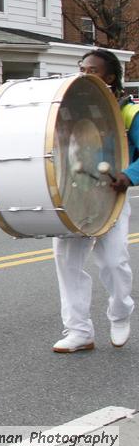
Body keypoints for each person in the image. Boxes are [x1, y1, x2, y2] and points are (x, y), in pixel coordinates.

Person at [50, 49, 137, 353]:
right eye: (82, 68)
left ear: (110, 77)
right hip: (72, 196)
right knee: (67, 263)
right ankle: (79, 330)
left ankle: (121, 312)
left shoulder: (128, 112)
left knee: (114, 262)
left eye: (93, 70)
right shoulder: (64, 107)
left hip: (109, 197)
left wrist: (129, 175)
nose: (85, 73)